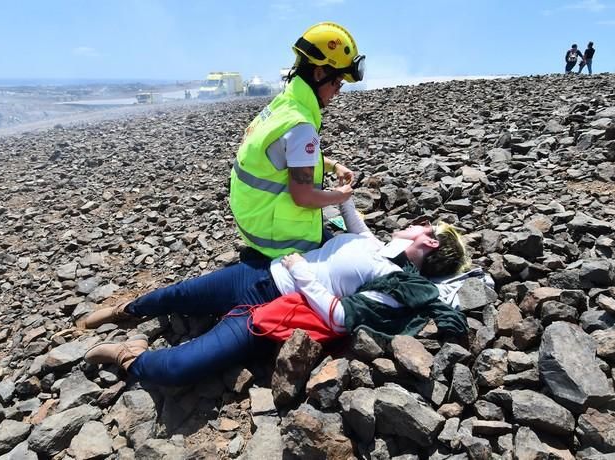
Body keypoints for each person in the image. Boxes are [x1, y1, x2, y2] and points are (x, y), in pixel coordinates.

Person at [80, 200, 471, 387]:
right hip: (256, 275)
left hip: (273, 310)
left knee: (180, 370)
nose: (415, 223)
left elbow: (339, 315)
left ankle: (127, 355)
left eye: (424, 226)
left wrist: (302, 272)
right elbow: (352, 218)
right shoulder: (375, 244)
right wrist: (343, 191)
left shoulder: (394, 279)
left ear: (431, 244)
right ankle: (125, 310)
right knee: (176, 294)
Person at [229, 22, 366, 260]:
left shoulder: (284, 105)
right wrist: (341, 195)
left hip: (252, 221)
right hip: (278, 242)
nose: (338, 91)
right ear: (319, 73)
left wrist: (333, 165)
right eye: (337, 82)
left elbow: (288, 155)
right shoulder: (301, 125)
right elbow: (303, 197)